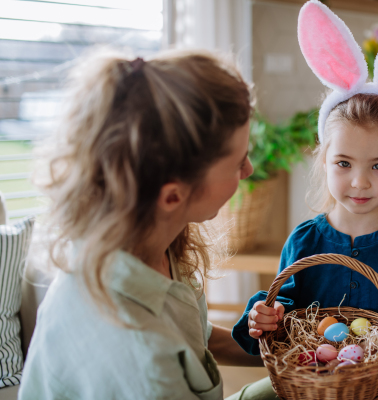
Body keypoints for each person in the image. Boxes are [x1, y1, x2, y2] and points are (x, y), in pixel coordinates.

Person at [231, 2, 378, 400]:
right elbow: (284, 309)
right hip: (310, 390)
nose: (359, 182)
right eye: (343, 163)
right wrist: (263, 318)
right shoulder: (305, 242)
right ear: (323, 160)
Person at [19, 49, 278, 400]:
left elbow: (195, 339)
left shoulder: (149, 240)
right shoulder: (143, 362)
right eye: (237, 162)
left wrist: (295, 355)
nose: (248, 171)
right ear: (172, 195)